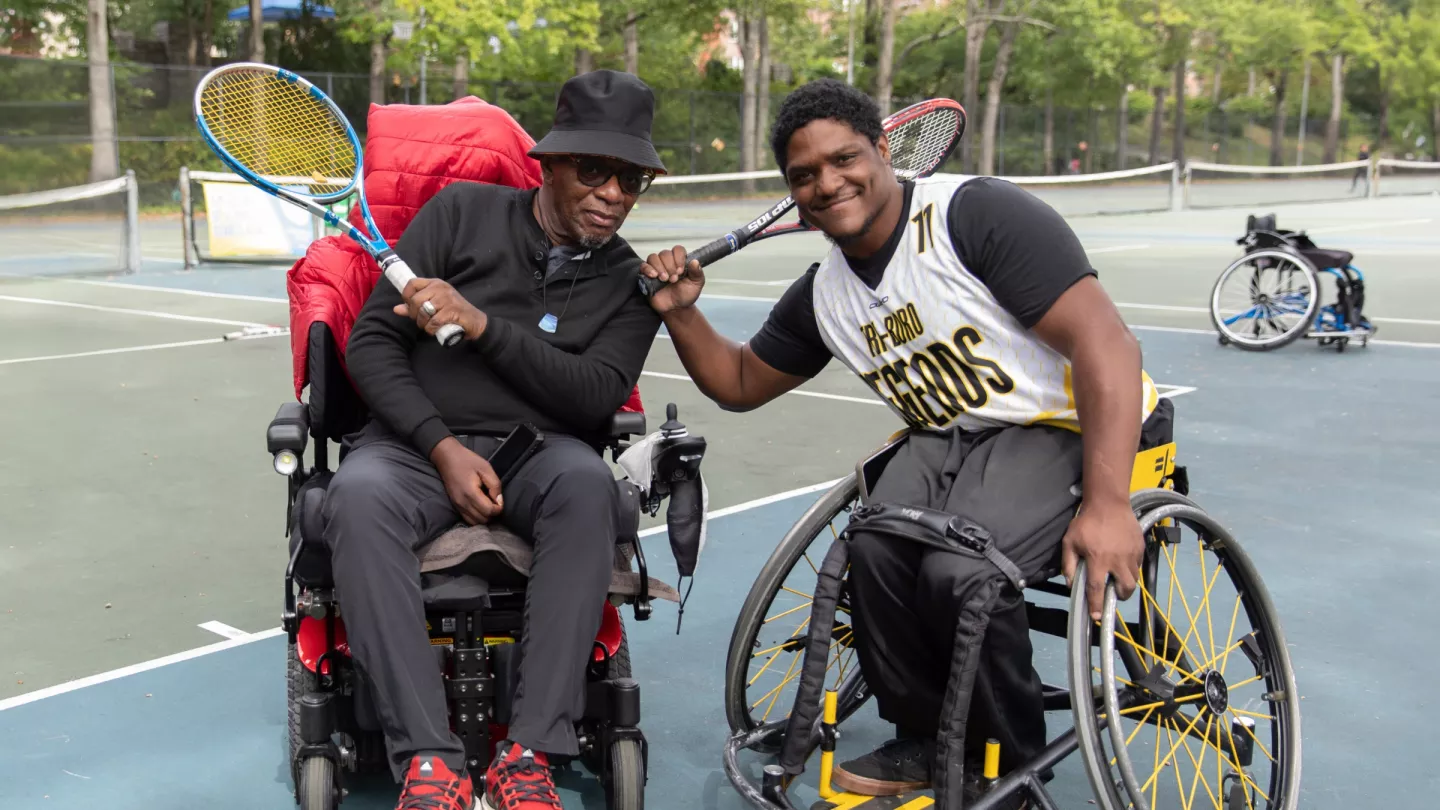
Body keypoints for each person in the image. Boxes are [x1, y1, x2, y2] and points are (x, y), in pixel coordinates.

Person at [640, 79, 1169, 804]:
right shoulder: (826, 293)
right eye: (804, 174)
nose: (828, 183)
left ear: (885, 150)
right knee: (875, 550)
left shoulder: (974, 216)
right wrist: (680, 313)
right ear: (792, 191)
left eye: (844, 159)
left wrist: (1108, 505)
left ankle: (1008, 765)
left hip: (1068, 423)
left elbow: (1108, 344)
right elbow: (738, 380)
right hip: (954, 439)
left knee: (962, 572)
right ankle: (924, 735)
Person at [323, 70, 666, 810]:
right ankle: (428, 758)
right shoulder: (459, 213)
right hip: (415, 449)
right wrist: (440, 447)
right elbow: (373, 344)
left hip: (541, 455)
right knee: (355, 495)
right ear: (550, 164)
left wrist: (481, 325)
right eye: (595, 170)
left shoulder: (632, 281)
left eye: (632, 179)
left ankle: (531, 753)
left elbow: (594, 395)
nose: (613, 193)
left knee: (590, 488)